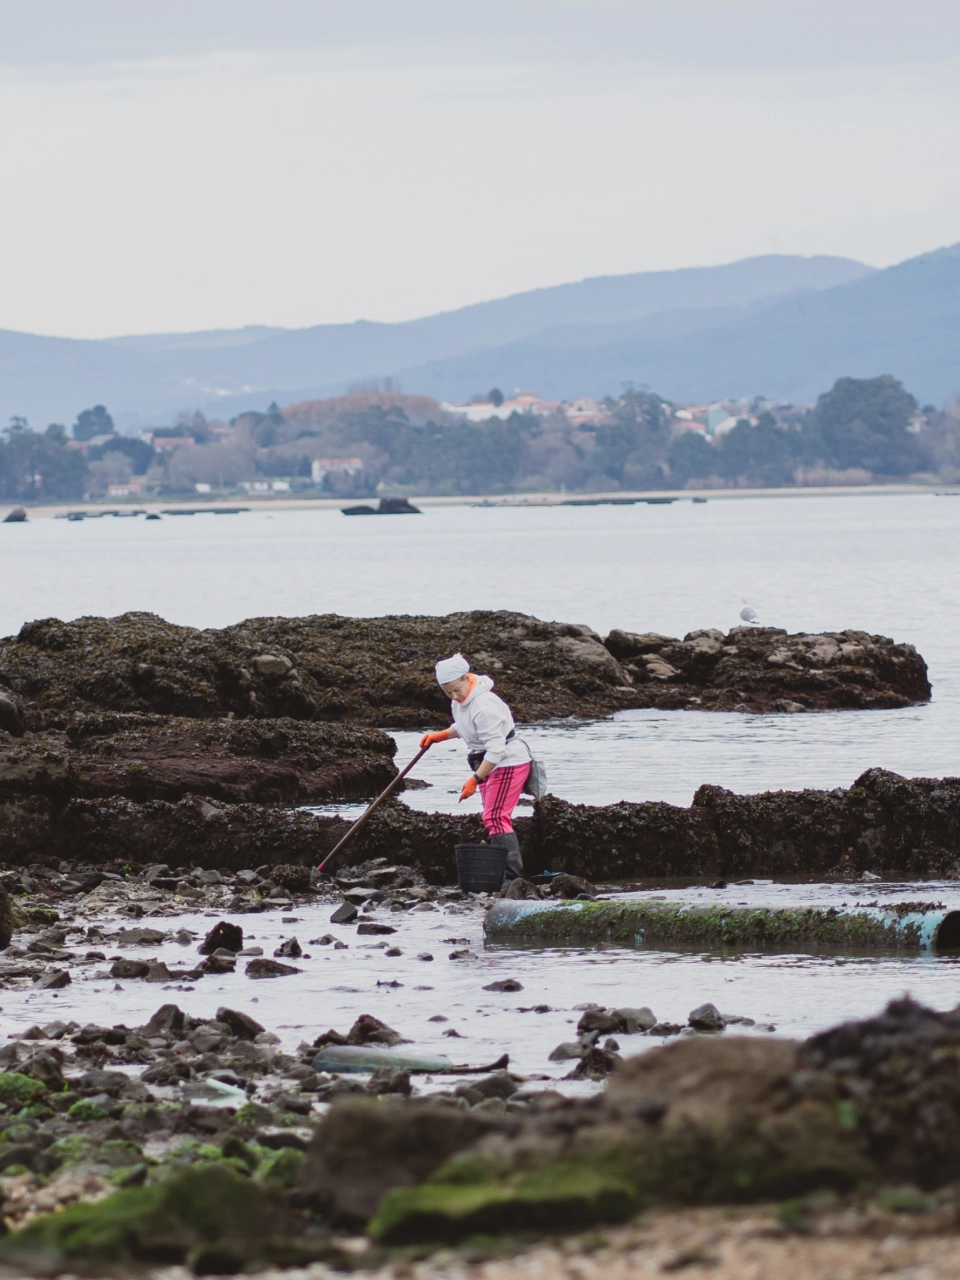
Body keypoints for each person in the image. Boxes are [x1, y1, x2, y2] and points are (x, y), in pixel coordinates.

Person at [420, 652, 530, 882]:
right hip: (487, 762)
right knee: (492, 817)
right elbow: (465, 726)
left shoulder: (484, 705)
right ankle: (503, 874)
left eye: (456, 689)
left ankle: (512, 878)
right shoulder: (461, 701)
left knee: (496, 816)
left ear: (467, 677)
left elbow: (496, 750)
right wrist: (441, 735)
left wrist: (475, 780)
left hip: (507, 761)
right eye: (447, 692)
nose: (454, 695)